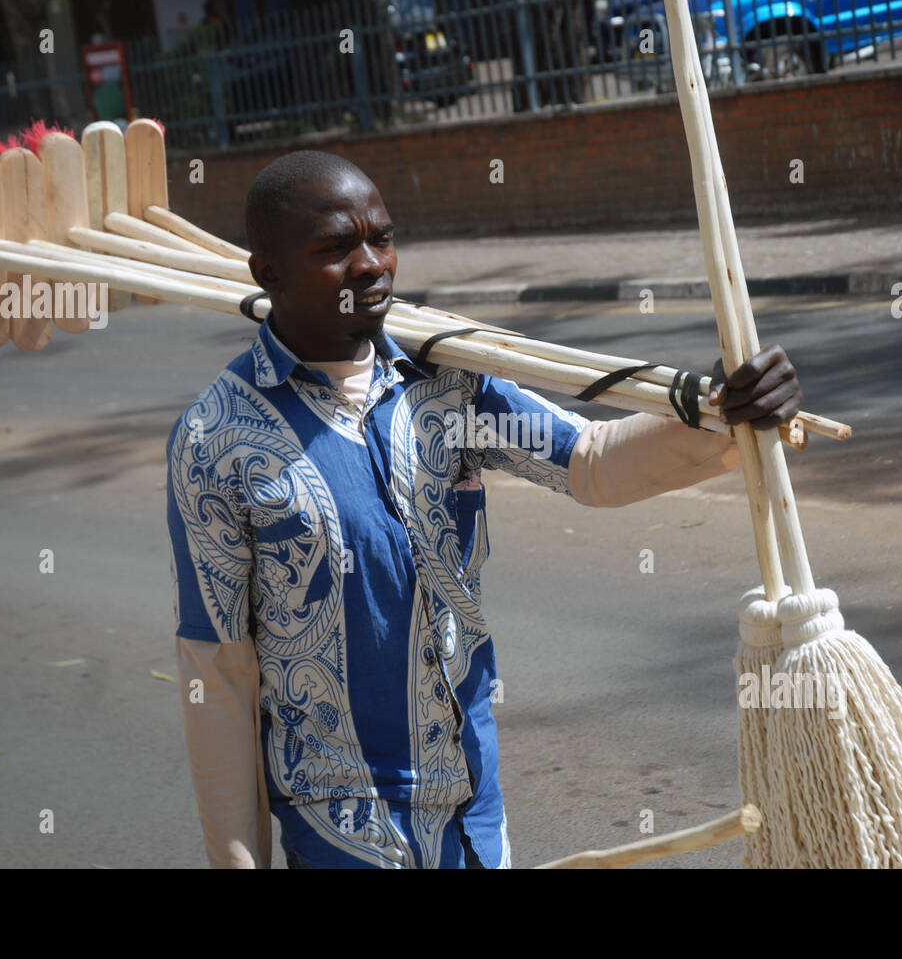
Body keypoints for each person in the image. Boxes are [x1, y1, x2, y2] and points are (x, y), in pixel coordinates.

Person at [167, 150, 803, 869]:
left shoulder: (448, 380)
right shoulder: (215, 438)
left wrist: (720, 411)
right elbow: (219, 669)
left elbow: (590, 463)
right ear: (267, 273)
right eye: (335, 249)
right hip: (341, 828)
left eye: (382, 237)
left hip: (473, 812)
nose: (372, 264)